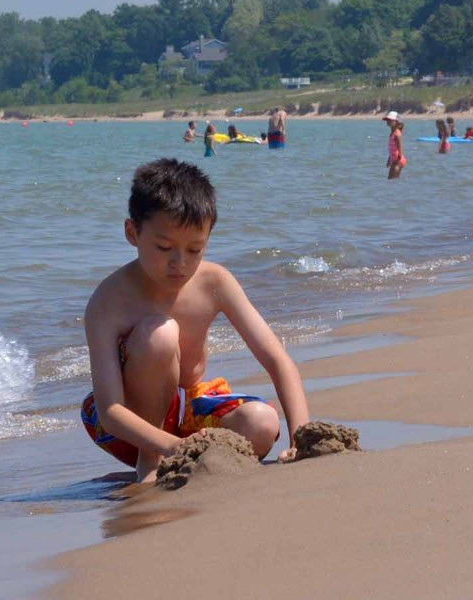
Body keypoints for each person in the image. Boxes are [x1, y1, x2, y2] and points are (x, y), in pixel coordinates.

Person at [80, 159, 309, 481]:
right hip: (126, 428)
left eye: (195, 249)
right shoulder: (108, 302)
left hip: (190, 411)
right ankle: (151, 461)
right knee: (160, 333)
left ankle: (183, 458)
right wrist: (171, 447)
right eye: (164, 247)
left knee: (262, 424)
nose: (180, 263)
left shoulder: (214, 282)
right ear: (132, 233)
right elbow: (110, 412)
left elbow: (277, 360)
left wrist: (302, 438)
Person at [384, 111, 406, 179]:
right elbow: (392, 150)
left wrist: (397, 162)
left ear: (396, 122)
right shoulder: (392, 133)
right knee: (390, 179)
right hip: (393, 160)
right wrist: (389, 160)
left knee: (393, 179)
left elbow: (400, 148)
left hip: (398, 161)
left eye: (390, 120)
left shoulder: (397, 134)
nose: (388, 121)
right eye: (387, 120)